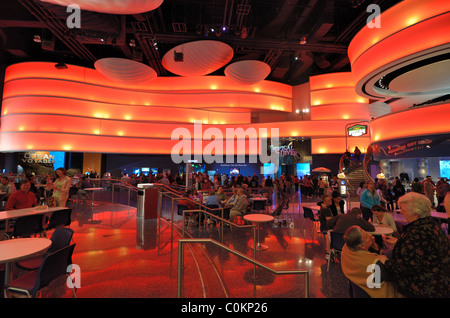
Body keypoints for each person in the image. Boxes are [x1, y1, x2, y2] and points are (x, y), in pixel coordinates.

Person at [381, 192, 449, 298]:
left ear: (416, 213)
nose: (402, 212)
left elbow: (406, 267)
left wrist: (384, 260)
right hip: (439, 282)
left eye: (404, 210)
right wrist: (399, 242)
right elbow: (422, 250)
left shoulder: (419, 232)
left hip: (425, 288)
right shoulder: (431, 224)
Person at [341, 226, 402, 298]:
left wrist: (373, 245)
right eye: (367, 237)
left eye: (366, 232)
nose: (370, 235)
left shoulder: (346, 249)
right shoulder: (374, 264)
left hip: (357, 291)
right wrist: (386, 260)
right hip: (373, 292)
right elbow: (391, 277)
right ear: (362, 246)